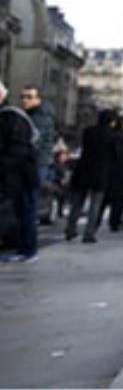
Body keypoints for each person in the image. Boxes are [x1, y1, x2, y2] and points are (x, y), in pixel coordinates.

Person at [0, 81, 41, 262]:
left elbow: (18, 149)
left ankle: (27, 250)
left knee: (25, 212)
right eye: (23, 96)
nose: (25, 100)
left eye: (29, 97)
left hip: (21, 175)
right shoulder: (12, 116)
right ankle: (22, 248)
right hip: (18, 174)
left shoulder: (11, 117)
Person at [64, 109, 112, 243]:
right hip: (100, 171)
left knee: (77, 202)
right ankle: (89, 233)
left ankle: (70, 229)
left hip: (84, 168)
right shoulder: (110, 135)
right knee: (95, 204)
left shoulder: (88, 131)